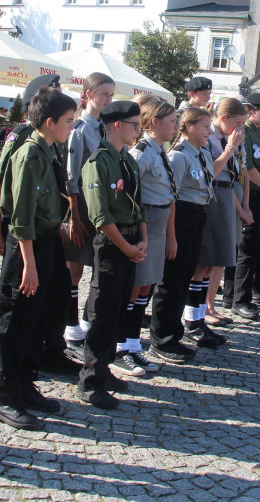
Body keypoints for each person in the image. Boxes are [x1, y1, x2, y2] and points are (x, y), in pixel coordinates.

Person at [0, 87, 78, 429]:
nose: (72, 127)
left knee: (37, 317)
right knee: (15, 318)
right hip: (27, 244)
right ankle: (3, 393)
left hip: (46, 240)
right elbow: (22, 216)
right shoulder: (30, 154)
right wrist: (29, 264)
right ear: (50, 121)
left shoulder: (50, 150)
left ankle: (25, 382)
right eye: (68, 121)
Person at [78, 100, 147, 409]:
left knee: (119, 309)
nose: (139, 129)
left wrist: (142, 241)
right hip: (112, 244)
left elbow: (138, 205)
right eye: (135, 124)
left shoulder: (128, 161)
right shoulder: (99, 161)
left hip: (132, 242)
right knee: (104, 312)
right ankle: (90, 380)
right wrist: (127, 246)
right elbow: (100, 215)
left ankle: (105, 370)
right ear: (117, 125)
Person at [151, 106, 219, 361]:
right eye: (204, 127)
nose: (209, 132)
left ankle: (174, 334)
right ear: (188, 127)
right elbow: (171, 198)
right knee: (171, 282)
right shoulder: (178, 156)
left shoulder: (200, 153)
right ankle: (161, 339)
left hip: (197, 218)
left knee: (184, 279)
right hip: (180, 220)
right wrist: (172, 237)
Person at [117, 96, 178, 377]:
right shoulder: (140, 153)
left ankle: (132, 344)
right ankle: (120, 347)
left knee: (145, 288)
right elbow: (131, 197)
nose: (176, 126)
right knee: (133, 288)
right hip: (144, 225)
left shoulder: (159, 151)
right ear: (155, 123)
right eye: (172, 121)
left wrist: (169, 236)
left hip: (157, 225)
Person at [63, 73, 116, 360]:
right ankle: (69, 326)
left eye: (111, 95)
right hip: (81, 203)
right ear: (88, 94)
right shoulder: (80, 128)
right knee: (74, 267)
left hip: (99, 203)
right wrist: (74, 215)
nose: (108, 100)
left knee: (93, 265)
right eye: (104, 94)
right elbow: (72, 175)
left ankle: (84, 321)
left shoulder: (102, 126)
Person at [197, 97, 250, 326]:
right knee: (210, 257)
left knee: (221, 257)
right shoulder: (210, 138)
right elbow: (213, 172)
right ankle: (201, 308)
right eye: (238, 123)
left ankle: (210, 305)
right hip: (215, 194)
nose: (240, 129)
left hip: (227, 193)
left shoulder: (229, 138)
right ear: (224, 118)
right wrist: (230, 147)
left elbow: (241, 171)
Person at [225, 94, 260, 320]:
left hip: (259, 194)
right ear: (253, 111)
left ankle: (234, 295)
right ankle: (238, 298)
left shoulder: (259, 134)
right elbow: (248, 169)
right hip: (251, 193)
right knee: (246, 247)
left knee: (254, 245)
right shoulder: (244, 132)